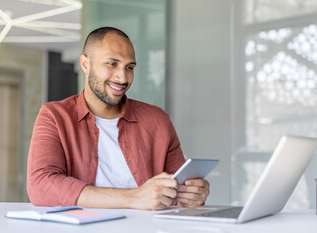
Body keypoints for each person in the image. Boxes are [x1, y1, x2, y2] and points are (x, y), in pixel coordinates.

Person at [27, 27, 210, 210]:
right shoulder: (54, 116)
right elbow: (41, 185)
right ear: (85, 64)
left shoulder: (158, 121)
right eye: (112, 64)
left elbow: (175, 192)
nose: (122, 78)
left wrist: (192, 195)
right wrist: (133, 197)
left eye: (129, 67)